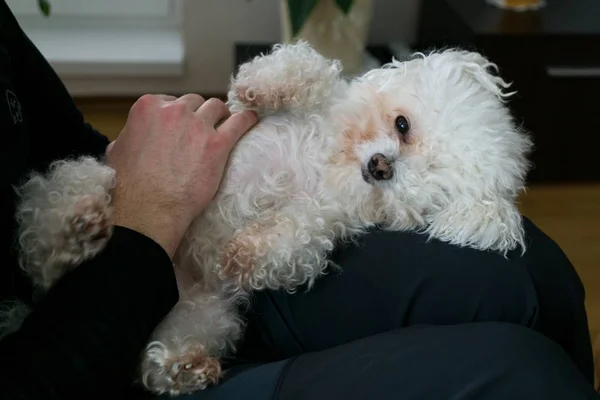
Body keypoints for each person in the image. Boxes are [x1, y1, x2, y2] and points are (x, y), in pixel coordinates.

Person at [0, 1, 598, 399]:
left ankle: (171, 356)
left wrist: (159, 173)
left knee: (532, 273)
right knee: (526, 376)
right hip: (60, 361)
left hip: (185, 269)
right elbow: (293, 77)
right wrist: (144, 217)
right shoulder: (329, 97)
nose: (383, 160)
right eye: (404, 130)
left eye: (405, 166)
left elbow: (66, 143)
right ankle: (126, 311)